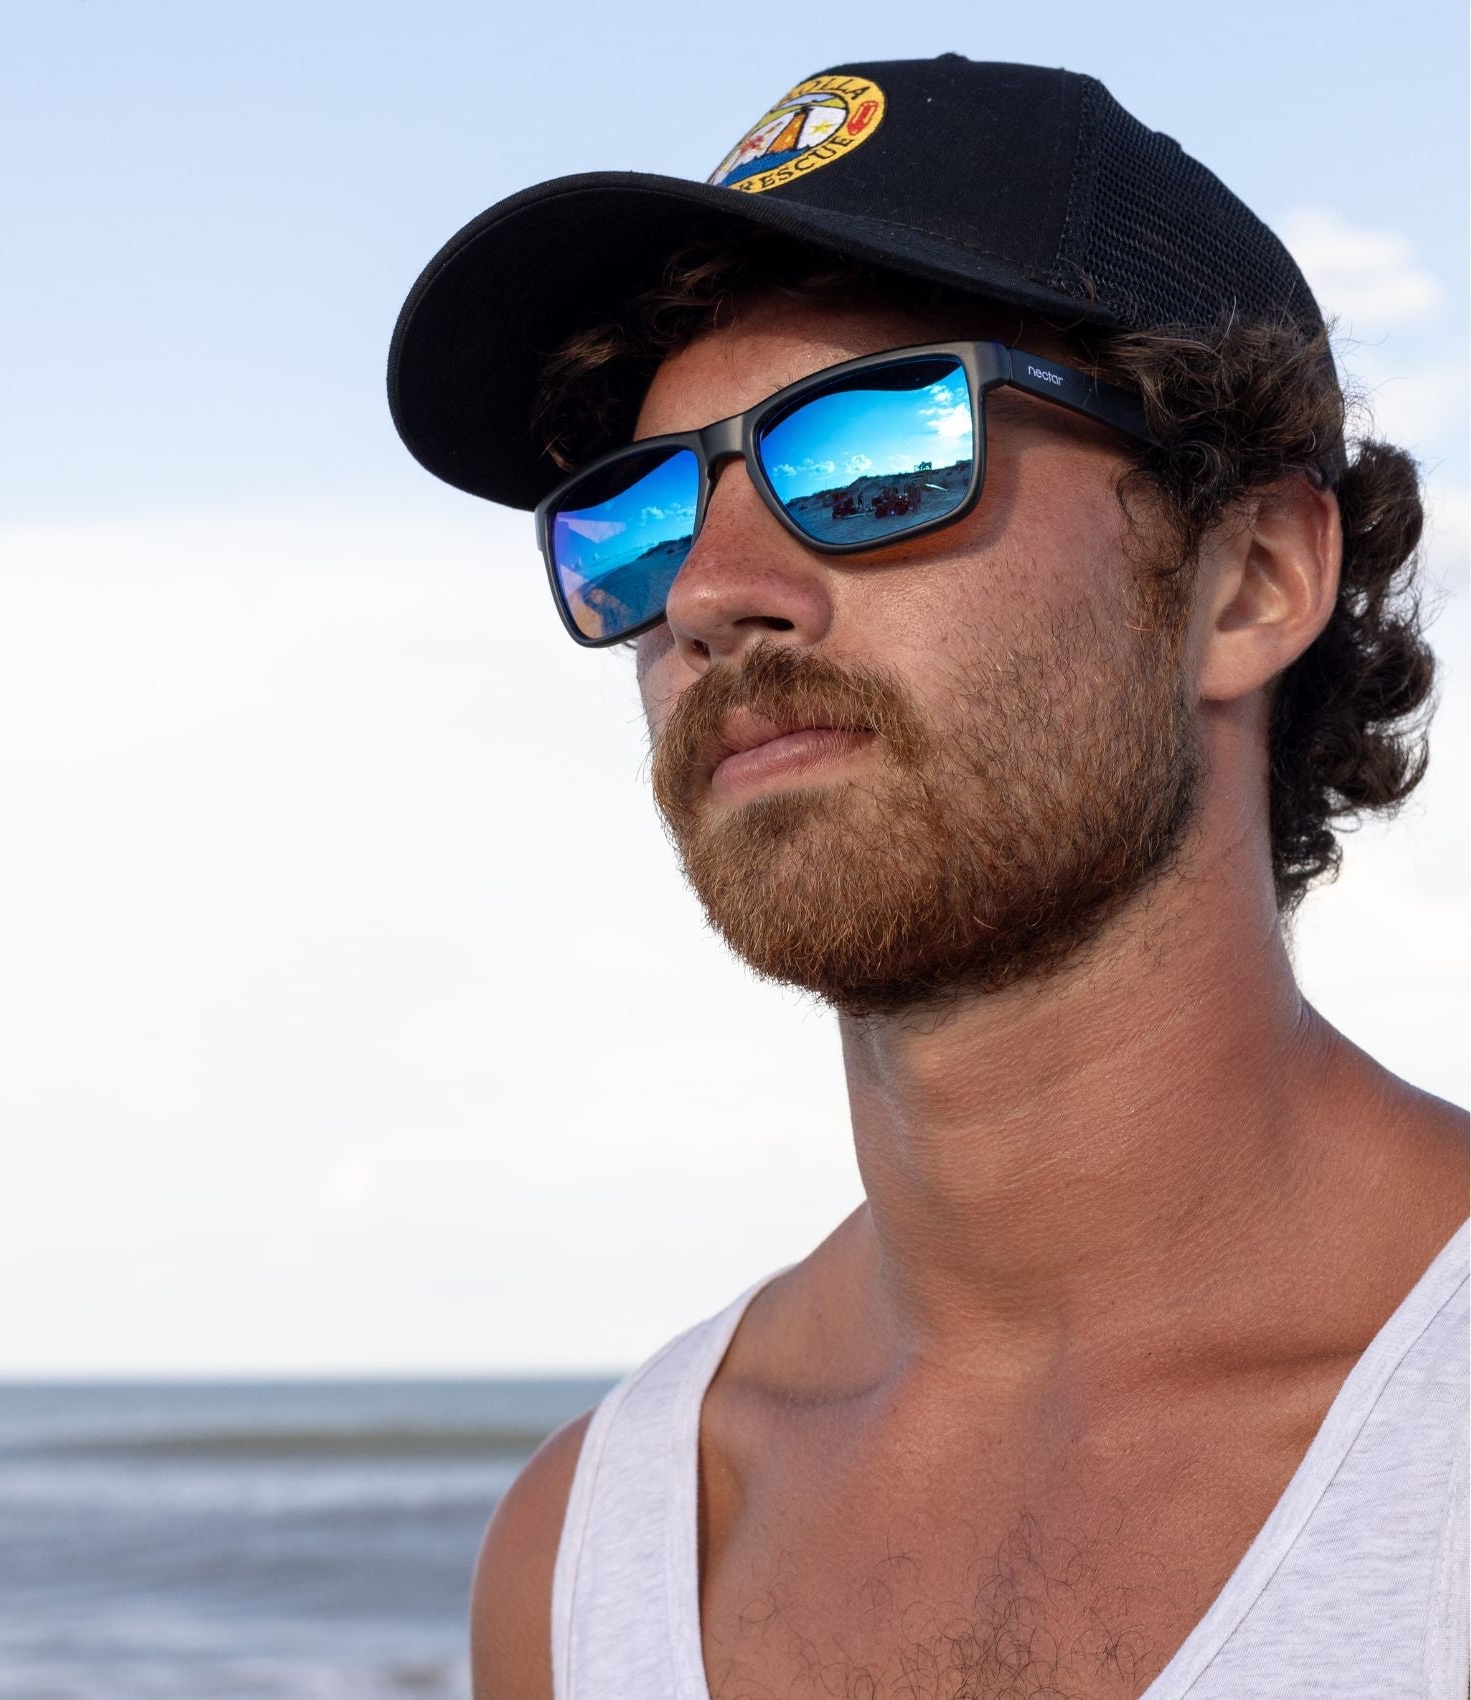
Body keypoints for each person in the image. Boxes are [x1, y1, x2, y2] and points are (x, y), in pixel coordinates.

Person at [387, 55, 1469, 1700]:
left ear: (1250, 580)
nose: (710, 593)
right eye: (641, 515)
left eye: (871, 453)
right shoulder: (586, 1562)